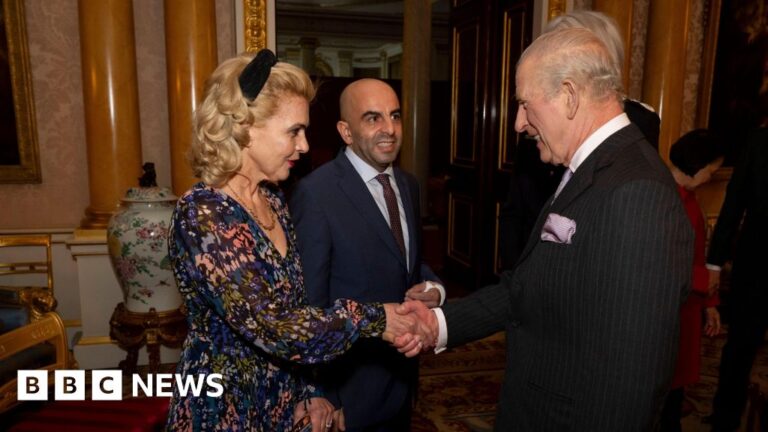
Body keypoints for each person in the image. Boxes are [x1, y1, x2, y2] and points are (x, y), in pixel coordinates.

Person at [394, 27, 694, 431]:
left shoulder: (635, 191)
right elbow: (529, 287)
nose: (519, 123)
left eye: (524, 104)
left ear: (569, 95)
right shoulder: (586, 170)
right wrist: (439, 324)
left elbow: (633, 379)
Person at [166, 50, 423, 432]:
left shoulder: (271, 199)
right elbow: (278, 327)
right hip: (226, 405)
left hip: (283, 399)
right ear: (245, 127)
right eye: (294, 131)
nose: (304, 146)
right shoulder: (204, 213)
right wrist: (375, 318)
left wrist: (309, 389)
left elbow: (302, 304)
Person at [289, 78, 445, 432]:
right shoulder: (315, 194)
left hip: (402, 377)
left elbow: (405, 263)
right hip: (349, 391)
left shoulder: (408, 185)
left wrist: (434, 288)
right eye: (373, 118)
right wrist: (325, 392)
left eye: (395, 116)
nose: (389, 129)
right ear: (346, 131)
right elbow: (310, 304)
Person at [498, 9, 659, 271]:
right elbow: (514, 212)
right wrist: (518, 281)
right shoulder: (535, 126)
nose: (521, 124)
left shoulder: (635, 129)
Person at [659, 129, 724, 432]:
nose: (712, 176)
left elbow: (697, 254)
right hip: (663, 315)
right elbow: (656, 262)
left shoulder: (691, 200)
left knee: (674, 392)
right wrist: (703, 280)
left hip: (686, 309)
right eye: (712, 169)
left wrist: (709, 304)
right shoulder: (661, 198)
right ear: (698, 165)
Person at [706, 126, 768, 432]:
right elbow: (734, 202)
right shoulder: (758, 140)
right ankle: (724, 422)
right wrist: (714, 262)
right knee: (738, 353)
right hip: (755, 269)